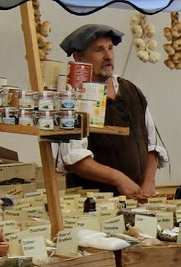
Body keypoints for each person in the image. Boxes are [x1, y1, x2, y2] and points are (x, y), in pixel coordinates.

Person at [56, 24, 167, 198]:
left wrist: (148, 183)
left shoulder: (132, 91)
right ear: (79, 57)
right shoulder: (72, 99)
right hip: (92, 202)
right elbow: (74, 159)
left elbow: (152, 145)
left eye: (110, 48)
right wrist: (119, 179)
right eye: (99, 50)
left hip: (136, 197)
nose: (108, 56)